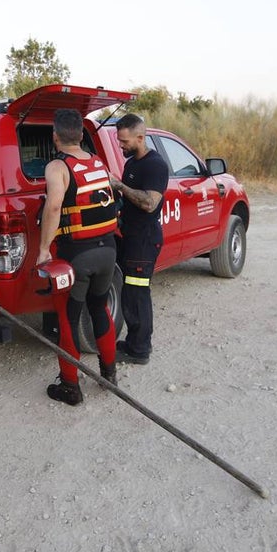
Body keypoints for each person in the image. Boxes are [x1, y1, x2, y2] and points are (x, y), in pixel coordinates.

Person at [36, 108, 119, 406]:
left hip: (77, 256)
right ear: (82, 135)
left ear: (55, 137)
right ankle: (109, 376)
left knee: (68, 319)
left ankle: (70, 387)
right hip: (108, 251)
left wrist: (44, 250)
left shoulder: (57, 167)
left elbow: (54, 208)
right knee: (99, 309)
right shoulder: (98, 163)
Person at [107, 113, 170, 366]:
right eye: (119, 140)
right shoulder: (132, 163)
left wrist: (120, 186)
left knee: (138, 294)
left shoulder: (155, 165)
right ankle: (134, 342)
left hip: (144, 240)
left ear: (140, 138)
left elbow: (148, 202)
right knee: (130, 292)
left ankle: (140, 350)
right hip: (131, 238)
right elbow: (129, 199)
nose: (120, 146)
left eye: (124, 141)